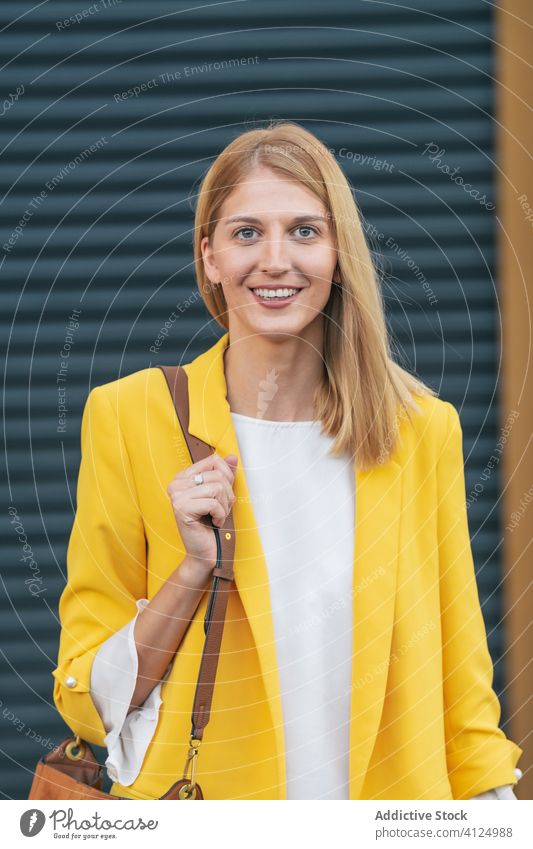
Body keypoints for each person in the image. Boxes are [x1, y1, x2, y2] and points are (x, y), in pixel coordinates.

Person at [52, 120, 523, 800]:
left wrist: (496, 816)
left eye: (304, 231)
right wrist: (192, 570)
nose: (276, 260)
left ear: (338, 254)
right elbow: (87, 700)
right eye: (247, 232)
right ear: (209, 256)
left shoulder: (419, 431)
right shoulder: (132, 418)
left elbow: (459, 679)